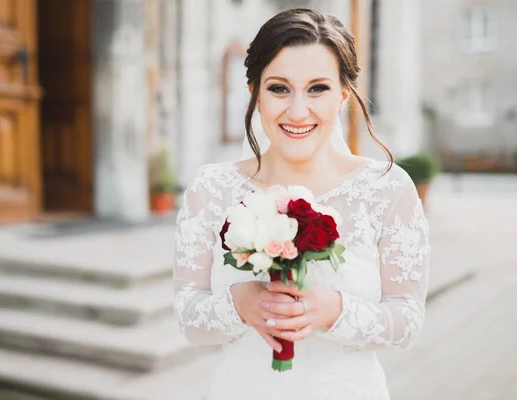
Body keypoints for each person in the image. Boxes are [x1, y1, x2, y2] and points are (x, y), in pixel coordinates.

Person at [173, 8, 430, 399]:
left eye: (317, 88)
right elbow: (189, 320)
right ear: (255, 95)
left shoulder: (387, 190)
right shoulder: (211, 190)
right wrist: (238, 303)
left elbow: (406, 322)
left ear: (342, 96)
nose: (297, 110)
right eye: (278, 88)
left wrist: (335, 309)